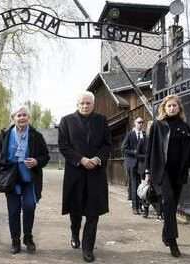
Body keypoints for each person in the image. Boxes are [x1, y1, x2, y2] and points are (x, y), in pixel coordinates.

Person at [0, 106, 50, 255]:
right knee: (13, 211)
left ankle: (28, 238)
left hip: (29, 178)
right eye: (19, 115)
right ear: (13, 118)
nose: (22, 118)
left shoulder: (36, 135)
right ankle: (15, 240)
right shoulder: (5, 134)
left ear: (29, 118)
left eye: (25, 115)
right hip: (10, 179)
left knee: (29, 207)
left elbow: (46, 156)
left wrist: (37, 161)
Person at [58, 91, 112, 263]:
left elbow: (107, 145)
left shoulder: (101, 121)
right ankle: (75, 232)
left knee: (93, 212)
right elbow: (63, 146)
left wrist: (97, 159)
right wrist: (81, 160)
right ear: (77, 104)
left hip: (95, 173)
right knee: (75, 209)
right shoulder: (66, 121)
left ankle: (87, 248)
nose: (85, 106)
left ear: (93, 104)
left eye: (88, 103)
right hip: (75, 172)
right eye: (82, 103)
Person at [145, 94, 190, 258]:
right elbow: (149, 150)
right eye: (169, 106)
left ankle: (166, 233)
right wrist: (147, 172)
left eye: (174, 106)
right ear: (164, 108)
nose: (172, 108)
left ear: (179, 108)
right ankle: (173, 242)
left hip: (179, 171)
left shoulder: (184, 126)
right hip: (162, 170)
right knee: (169, 201)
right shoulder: (157, 125)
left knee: (171, 207)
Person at [121, 117, 146, 215]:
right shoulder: (130, 134)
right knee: (134, 184)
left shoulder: (144, 135)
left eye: (142, 122)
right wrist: (134, 152)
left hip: (142, 163)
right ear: (135, 123)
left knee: (142, 184)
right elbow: (123, 148)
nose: (141, 124)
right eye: (139, 122)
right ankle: (135, 207)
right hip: (132, 163)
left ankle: (141, 205)